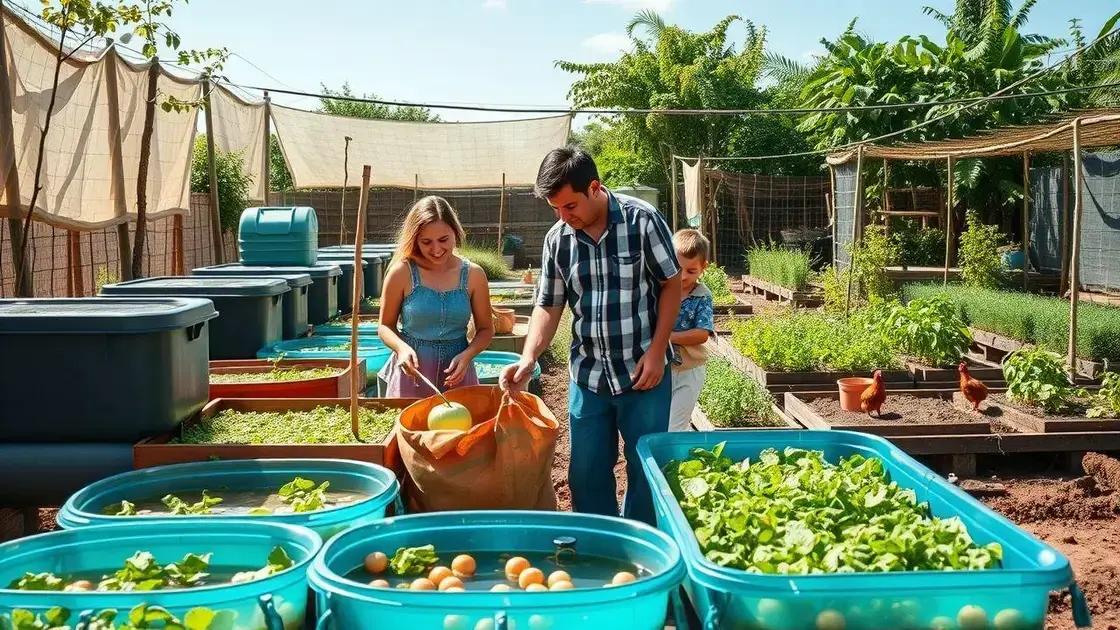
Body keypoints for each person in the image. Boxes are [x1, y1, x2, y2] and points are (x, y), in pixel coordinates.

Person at [499, 146, 682, 525]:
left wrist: (658, 348)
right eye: (556, 209)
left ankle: (641, 551)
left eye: (569, 206)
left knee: (646, 470)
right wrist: (529, 357)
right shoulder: (558, 239)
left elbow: (672, 283)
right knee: (585, 473)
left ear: (594, 187)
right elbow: (548, 305)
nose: (563, 217)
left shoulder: (642, 221)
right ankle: (599, 551)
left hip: (644, 372)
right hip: (589, 375)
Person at [378, 196, 494, 397]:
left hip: (458, 373)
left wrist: (467, 355)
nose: (436, 249)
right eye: (426, 242)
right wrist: (401, 349)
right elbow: (384, 326)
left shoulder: (474, 275)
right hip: (412, 374)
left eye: (443, 240)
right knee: (412, 427)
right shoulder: (401, 273)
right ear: (414, 240)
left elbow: (485, 329)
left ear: (455, 233)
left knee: (461, 427)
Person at [667, 229, 715, 432]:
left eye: (691, 271)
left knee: (675, 426)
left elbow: (702, 334)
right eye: (678, 268)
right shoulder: (659, 289)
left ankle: (677, 460)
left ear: (703, 267)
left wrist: (667, 337)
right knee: (660, 422)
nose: (683, 276)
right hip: (660, 369)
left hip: (689, 370)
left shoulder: (701, 296)